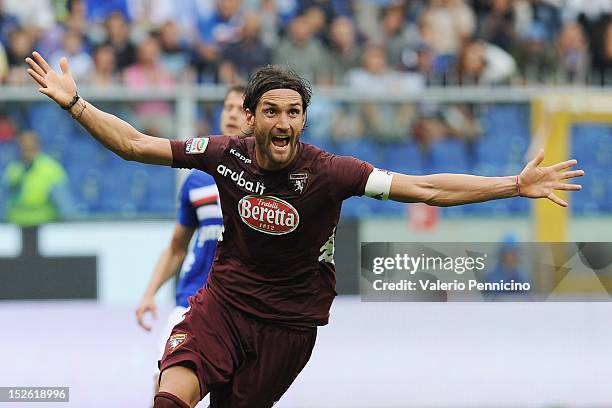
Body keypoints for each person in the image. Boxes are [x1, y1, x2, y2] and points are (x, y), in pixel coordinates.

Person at [25, 51, 584, 408]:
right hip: (222, 305)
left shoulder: (332, 173)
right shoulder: (223, 155)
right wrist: (75, 102)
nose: (284, 122)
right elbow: (135, 145)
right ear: (251, 117)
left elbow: (427, 187)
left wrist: (513, 184)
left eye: (294, 112)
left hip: (289, 328)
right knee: (169, 398)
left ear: (304, 120)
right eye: (272, 111)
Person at [134, 85, 247, 397]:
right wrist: (149, 293)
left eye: (241, 107)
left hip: (242, 308)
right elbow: (176, 248)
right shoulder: (197, 180)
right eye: (227, 107)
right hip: (190, 302)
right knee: (165, 387)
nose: (232, 113)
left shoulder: (269, 182)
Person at [2, 129, 75, 226]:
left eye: (30, 148)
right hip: (16, 227)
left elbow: (65, 205)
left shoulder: (51, 170)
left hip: (44, 227)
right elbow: (3, 202)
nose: (27, 152)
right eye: (24, 148)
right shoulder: (12, 169)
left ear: (38, 147)